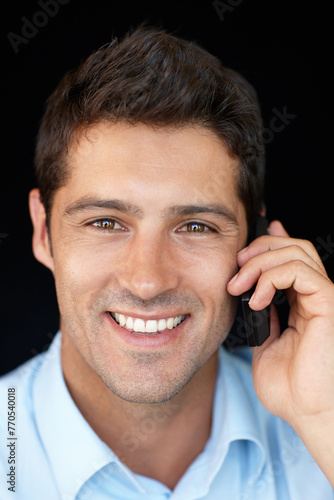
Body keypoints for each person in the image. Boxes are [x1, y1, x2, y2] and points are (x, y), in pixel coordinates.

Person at [0, 25, 333, 500]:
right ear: (43, 232)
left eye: (196, 226)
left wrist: (325, 419)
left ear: (256, 243)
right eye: (106, 222)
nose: (148, 281)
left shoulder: (320, 430)